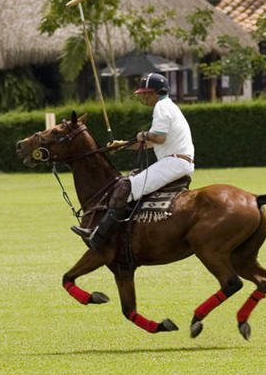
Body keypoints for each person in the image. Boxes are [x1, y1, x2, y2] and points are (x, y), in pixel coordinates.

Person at [71, 72, 195, 250]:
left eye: (146, 94)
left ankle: (99, 234)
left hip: (173, 163)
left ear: (154, 93)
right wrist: (123, 145)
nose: (144, 98)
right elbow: (151, 143)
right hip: (176, 162)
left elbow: (158, 137)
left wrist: (143, 134)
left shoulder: (162, 107)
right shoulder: (168, 106)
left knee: (126, 187)